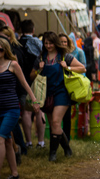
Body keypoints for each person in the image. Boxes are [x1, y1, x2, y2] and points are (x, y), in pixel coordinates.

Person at [31, 31, 86, 162]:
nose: (49, 45)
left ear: (55, 43)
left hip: (61, 92)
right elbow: (31, 76)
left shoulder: (64, 56)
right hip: (47, 93)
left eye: (51, 43)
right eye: (46, 43)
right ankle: (67, 149)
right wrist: (38, 69)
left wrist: (68, 67)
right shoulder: (40, 57)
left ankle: (52, 154)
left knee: (55, 122)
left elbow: (83, 68)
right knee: (54, 125)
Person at [0, 37, 41, 179]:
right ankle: (15, 174)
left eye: (0, 49)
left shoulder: (13, 65)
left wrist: (34, 100)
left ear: (5, 50)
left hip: (12, 108)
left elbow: (25, 83)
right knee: (7, 141)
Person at [18, 20, 45, 148]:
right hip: (37, 80)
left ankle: (28, 142)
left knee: (26, 112)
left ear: (20, 30)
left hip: (21, 80)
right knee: (39, 110)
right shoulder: (37, 43)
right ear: (33, 30)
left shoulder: (16, 43)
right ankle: (40, 141)